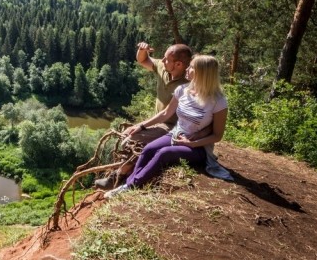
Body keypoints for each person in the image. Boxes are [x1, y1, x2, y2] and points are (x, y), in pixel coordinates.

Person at [104, 55, 228, 198]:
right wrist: (141, 126)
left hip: (198, 147)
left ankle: (131, 187)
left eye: (192, 67)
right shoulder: (182, 90)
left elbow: (217, 136)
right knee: (149, 149)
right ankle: (128, 183)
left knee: (164, 153)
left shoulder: (218, 101)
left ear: (202, 73)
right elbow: (165, 114)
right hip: (175, 135)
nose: (187, 69)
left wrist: (193, 143)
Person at [94, 42, 192, 190]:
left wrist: (140, 126)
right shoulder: (164, 68)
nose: (162, 61)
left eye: (166, 59)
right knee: (129, 137)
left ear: (178, 64)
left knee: (134, 138)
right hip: (159, 121)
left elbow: (167, 114)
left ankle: (118, 176)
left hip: (174, 126)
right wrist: (142, 50)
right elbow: (143, 60)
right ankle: (125, 172)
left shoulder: (188, 84)